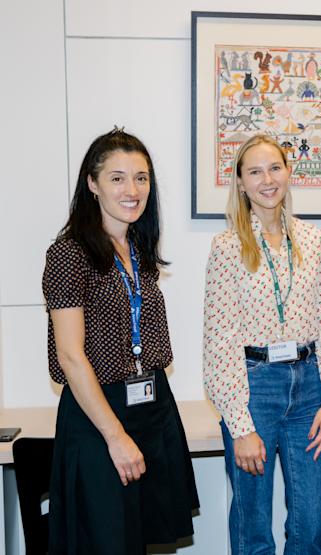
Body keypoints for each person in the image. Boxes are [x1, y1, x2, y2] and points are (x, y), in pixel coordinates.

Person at [42, 127, 199, 554]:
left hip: (151, 407)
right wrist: (115, 436)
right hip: (100, 417)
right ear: (92, 184)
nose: (132, 190)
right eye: (117, 178)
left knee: (142, 540)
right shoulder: (68, 253)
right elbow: (71, 357)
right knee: (108, 543)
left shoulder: (139, 249)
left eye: (141, 178)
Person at [203, 133, 321, 554]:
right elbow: (218, 339)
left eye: (274, 168)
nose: (267, 179)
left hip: (310, 387)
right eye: (255, 171)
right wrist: (240, 426)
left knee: (311, 522)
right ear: (240, 182)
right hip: (253, 388)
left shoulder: (314, 240)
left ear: (289, 173)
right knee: (253, 525)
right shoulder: (227, 247)